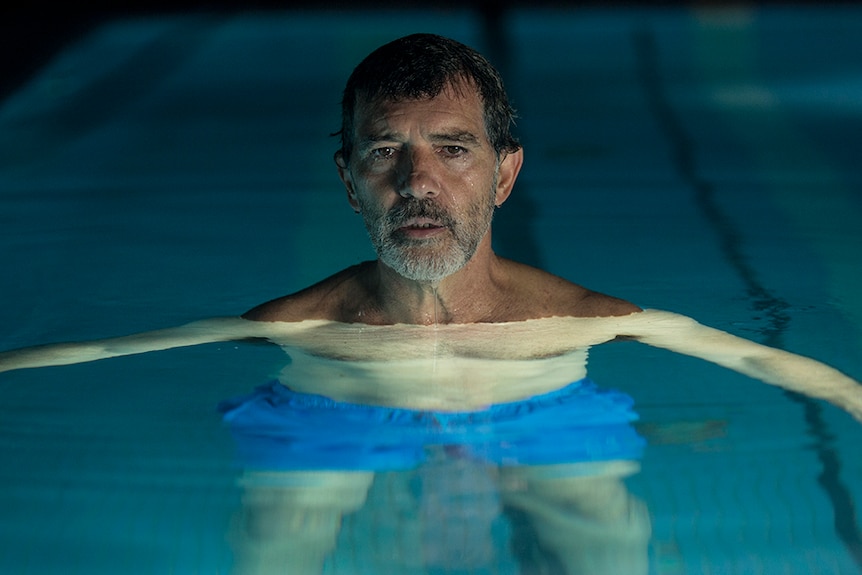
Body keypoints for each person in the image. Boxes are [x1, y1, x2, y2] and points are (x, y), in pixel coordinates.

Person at [0, 32, 859, 575]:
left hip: (544, 412)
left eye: (452, 149)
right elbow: (110, 351)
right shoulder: (298, 324)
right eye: (385, 152)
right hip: (329, 413)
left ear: (505, 172)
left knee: (610, 548)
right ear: (349, 181)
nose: (418, 183)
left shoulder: (582, 314)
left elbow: (748, 355)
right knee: (271, 550)